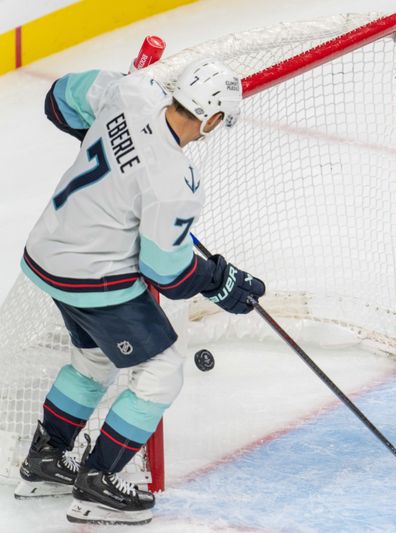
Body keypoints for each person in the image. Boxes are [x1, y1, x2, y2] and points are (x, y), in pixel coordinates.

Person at [14, 57, 265, 525]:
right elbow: (165, 273)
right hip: (92, 273)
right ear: (210, 119)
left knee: (93, 358)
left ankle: (45, 461)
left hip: (47, 255)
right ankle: (99, 483)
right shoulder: (174, 181)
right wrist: (220, 281)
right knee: (161, 372)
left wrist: (104, 141)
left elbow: (59, 100)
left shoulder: (132, 91)